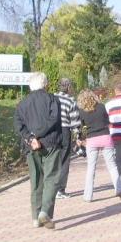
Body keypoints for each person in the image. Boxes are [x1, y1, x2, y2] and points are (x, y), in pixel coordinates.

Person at [14, 72, 63, 229]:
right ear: (45, 84)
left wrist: (30, 138)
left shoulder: (22, 104)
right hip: (50, 143)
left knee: (36, 180)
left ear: (30, 86)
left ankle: (35, 217)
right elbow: (53, 120)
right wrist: (38, 134)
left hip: (31, 146)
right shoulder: (52, 100)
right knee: (52, 178)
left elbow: (18, 124)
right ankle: (45, 212)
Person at [77, 89, 121, 203]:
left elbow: (81, 127)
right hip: (105, 137)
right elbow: (108, 121)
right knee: (112, 166)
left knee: (91, 168)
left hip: (92, 140)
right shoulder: (101, 107)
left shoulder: (82, 111)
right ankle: (119, 189)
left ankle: (88, 196)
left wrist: (80, 139)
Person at [54, 78, 81, 199]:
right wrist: (78, 136)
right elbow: (75, 122)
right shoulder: (71, 101)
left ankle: (50, 188)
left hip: (52, 131)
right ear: (69, 87)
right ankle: (60, 190)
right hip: (65, 131)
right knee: (64, 161)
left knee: (53, 160)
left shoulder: (52, 98)